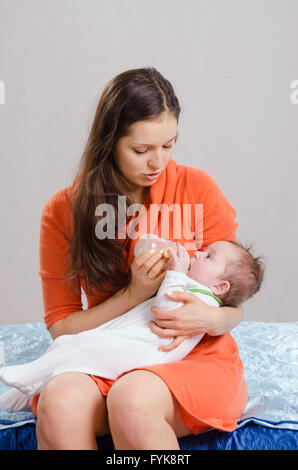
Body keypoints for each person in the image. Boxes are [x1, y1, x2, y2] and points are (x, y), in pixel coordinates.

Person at [30, 67, 249, 450]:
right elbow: (62, 328)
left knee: (132, 399)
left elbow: (231, 304)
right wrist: (133, 295)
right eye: (141, 150)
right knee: (59, 404)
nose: (158, 163)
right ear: (109, 143)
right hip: (107, 353)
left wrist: (212, 316)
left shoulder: (198, 188)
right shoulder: (64, 210)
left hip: (190, 357)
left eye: (169, 145)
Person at [0, 240, 264, 403]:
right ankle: (31, 383)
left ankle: (32, 378)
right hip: (131, 339)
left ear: (220, 286)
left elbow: (166, 308)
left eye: (208, 256)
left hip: (145, 353)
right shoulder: (195, 288)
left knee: (84, 350)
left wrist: (176, 273)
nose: (197, 253)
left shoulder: (203, 299)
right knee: (72, 343)